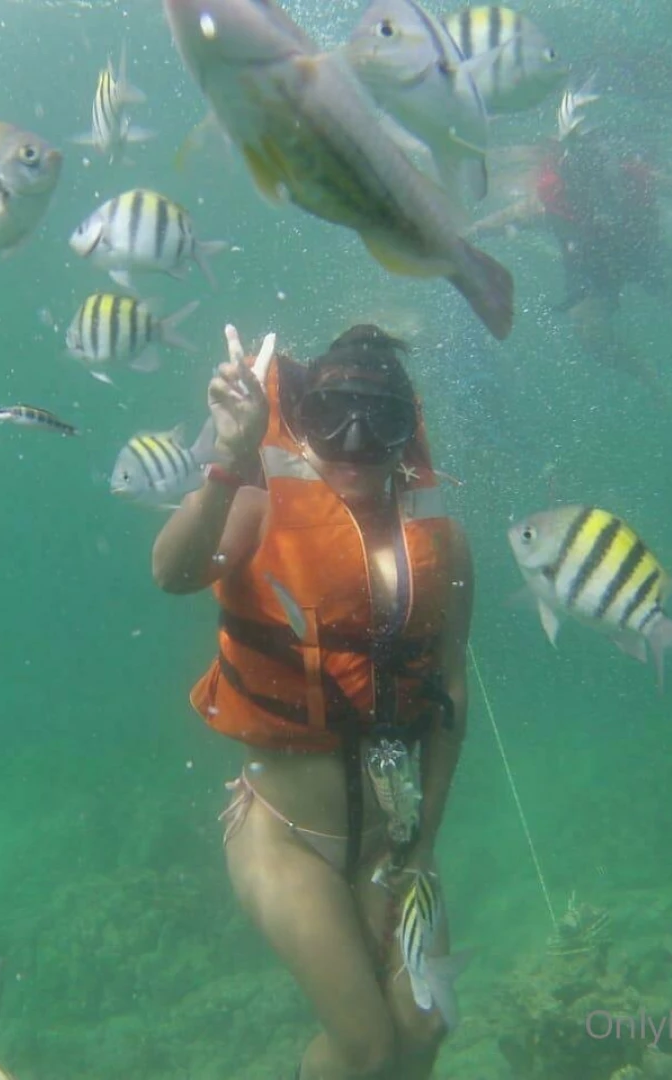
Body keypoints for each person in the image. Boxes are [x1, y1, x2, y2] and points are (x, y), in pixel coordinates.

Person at [152, 324, 474, 1080]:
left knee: (422, 1033)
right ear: (302, 420)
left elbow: (450, 688)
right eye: (332, 416)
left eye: (380, 420)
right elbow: (170, 572)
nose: (354, 443)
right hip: (285, 840)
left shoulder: (445, 544)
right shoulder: (259, 508)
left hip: (390, 845)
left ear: (410, 430)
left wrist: (421, 847)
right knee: (364, 1049)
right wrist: (229, 463)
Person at [476, 133, 672, 414]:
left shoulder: (632, 175)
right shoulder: (554, 190)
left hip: (645, 248)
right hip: (592, 261)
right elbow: (511, 216)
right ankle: (647, 375)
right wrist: (461, 236)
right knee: (590, 334)